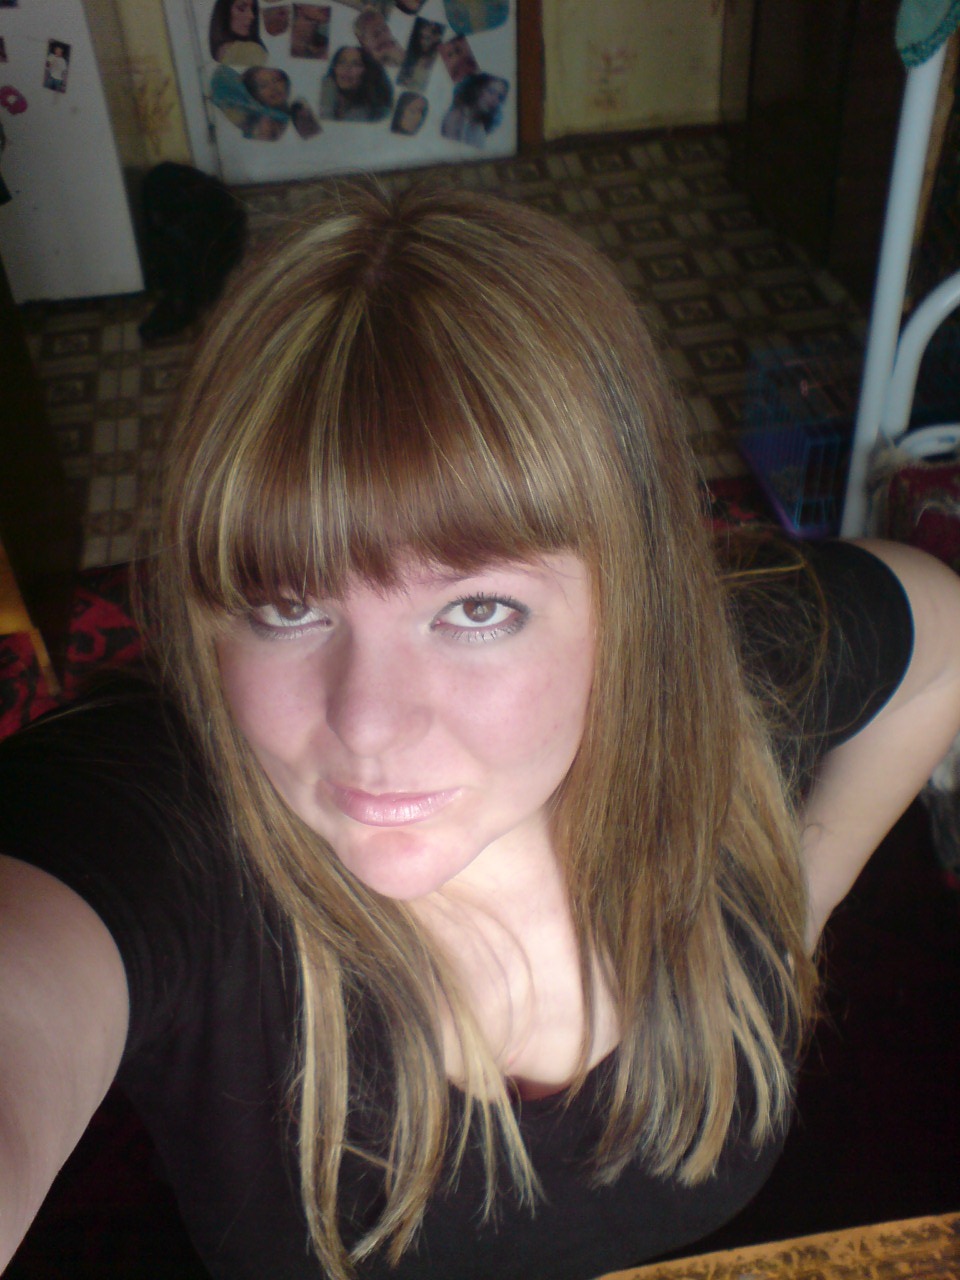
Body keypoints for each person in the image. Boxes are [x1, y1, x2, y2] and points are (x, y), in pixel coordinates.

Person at [2, 185, 960, 1280]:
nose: (366, 724)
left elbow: (938, 632)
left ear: (633, 597)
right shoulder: (156, 822)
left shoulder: (726, 683)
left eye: (477, 608)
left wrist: (795, 902)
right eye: (286, 605)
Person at [319, 46, 393, 122]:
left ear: (368, 71)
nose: (347, 69)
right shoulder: (325, 92)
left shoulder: (377, 113)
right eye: (342, 62)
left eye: (356, 64)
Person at [441, 71, 507, 145]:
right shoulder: (456, 117)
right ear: (477, 90)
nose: (494, 99)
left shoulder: (479, 128)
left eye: (499, 97)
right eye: (491, 92)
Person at [208, 0, 266, 67]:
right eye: (241, 8)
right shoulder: (251, 51)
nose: (251, 16)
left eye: (253, 9)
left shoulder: (219, 53)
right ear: (224, 11)